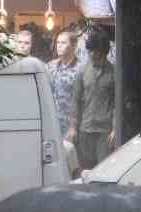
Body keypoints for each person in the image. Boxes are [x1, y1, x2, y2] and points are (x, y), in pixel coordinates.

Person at [69, 29, 116, 172]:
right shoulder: (82, 71)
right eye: (90, 51)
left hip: (105, 132)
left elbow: (116, 104)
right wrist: (73, 127)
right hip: (85, 129)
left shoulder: (114, 72)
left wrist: (115, 128)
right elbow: (75, 100)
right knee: (85, 171)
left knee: (104, 171)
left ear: (105, 53)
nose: (93, 55)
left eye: (97, 52)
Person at [46, 30, 82, 142]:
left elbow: (82, 100)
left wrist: (73, 126)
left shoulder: (81, 68)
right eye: (58, 43)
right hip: (53, 122)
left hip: (72, 125)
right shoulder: (50, 67)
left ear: (73, 45)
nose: (59, 46)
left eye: (63, 43)